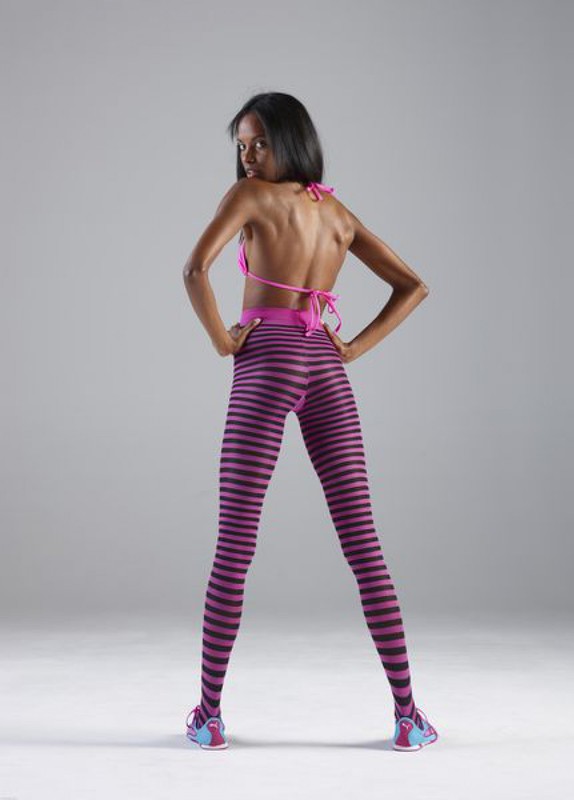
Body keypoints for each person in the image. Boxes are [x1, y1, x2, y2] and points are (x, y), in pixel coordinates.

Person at [182, 92, 439, 752]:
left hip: (266, 359)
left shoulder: (249, 199)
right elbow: (413, 285)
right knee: (363, 543)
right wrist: (349, 349)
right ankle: (409, 717)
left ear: (291, 141)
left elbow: (194, 270)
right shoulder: (336, 212)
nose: (248, 157)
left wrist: (222, 340)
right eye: (241, 146)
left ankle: (209, 717)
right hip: (325, 366)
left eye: (260, 143)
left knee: (235, 543)